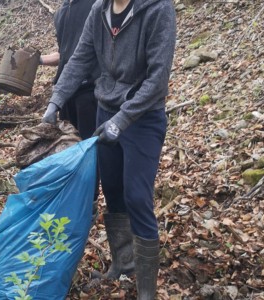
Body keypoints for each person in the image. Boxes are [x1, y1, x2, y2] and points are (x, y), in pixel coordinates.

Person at [41, 0, 176, 298]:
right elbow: (79, 59)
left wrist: (124, 118)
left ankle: (146, 290)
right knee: (113, 190)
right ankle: (123, 262)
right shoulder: (99, 10)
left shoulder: (158, 9)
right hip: (105, 110)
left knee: (137, 196)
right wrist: (56, 101)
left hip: (142, 117)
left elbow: (158, 78)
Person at [39, 0, 99, 141]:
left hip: (89, 93)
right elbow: (64, 54)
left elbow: (87, 54)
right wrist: (38, 60)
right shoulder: (61, 13)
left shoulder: (96, 6)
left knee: (91, 148)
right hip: (65, 96)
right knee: (70, 148)